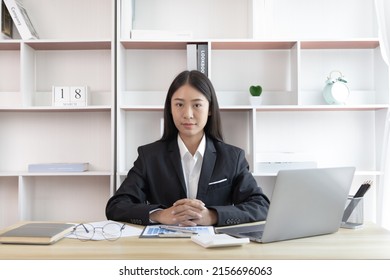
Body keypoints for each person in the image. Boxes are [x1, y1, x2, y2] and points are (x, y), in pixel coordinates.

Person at [106, 70, 270, 227]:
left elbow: (261, 206)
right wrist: (159, 215)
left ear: (210, 109)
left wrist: (212, 216)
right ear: (170, 108)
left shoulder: (232, 157)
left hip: (214, 247)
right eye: (179, 104)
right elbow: (116, 206)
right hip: (164, 247)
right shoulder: (149, 156)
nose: (188, 114)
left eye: (197, 105)